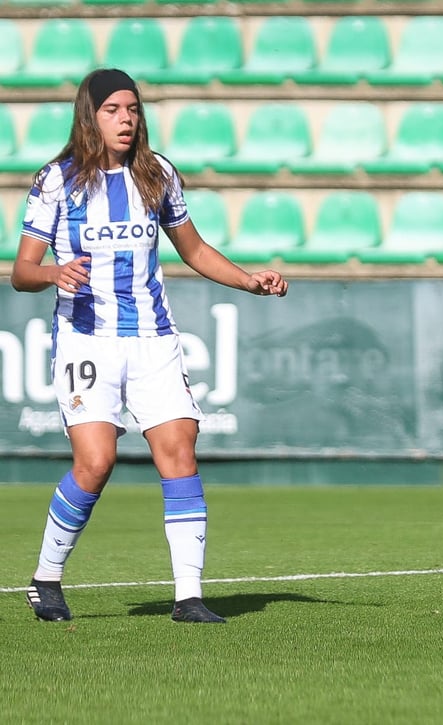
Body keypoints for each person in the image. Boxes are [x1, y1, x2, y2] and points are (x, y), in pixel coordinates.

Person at [11, 68, 289, 623]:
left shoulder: (157, 174)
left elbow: (195, 249)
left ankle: (189, 596)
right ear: (89, 116)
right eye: (113, 109)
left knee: (179, 452)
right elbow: (21, 270)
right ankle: (46, 579)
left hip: (154, 338)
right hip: (86, 338)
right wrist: (53, 274)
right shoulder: (56, 180)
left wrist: (248, 280)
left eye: (133, 109)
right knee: (96, 462)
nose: (126, 119)